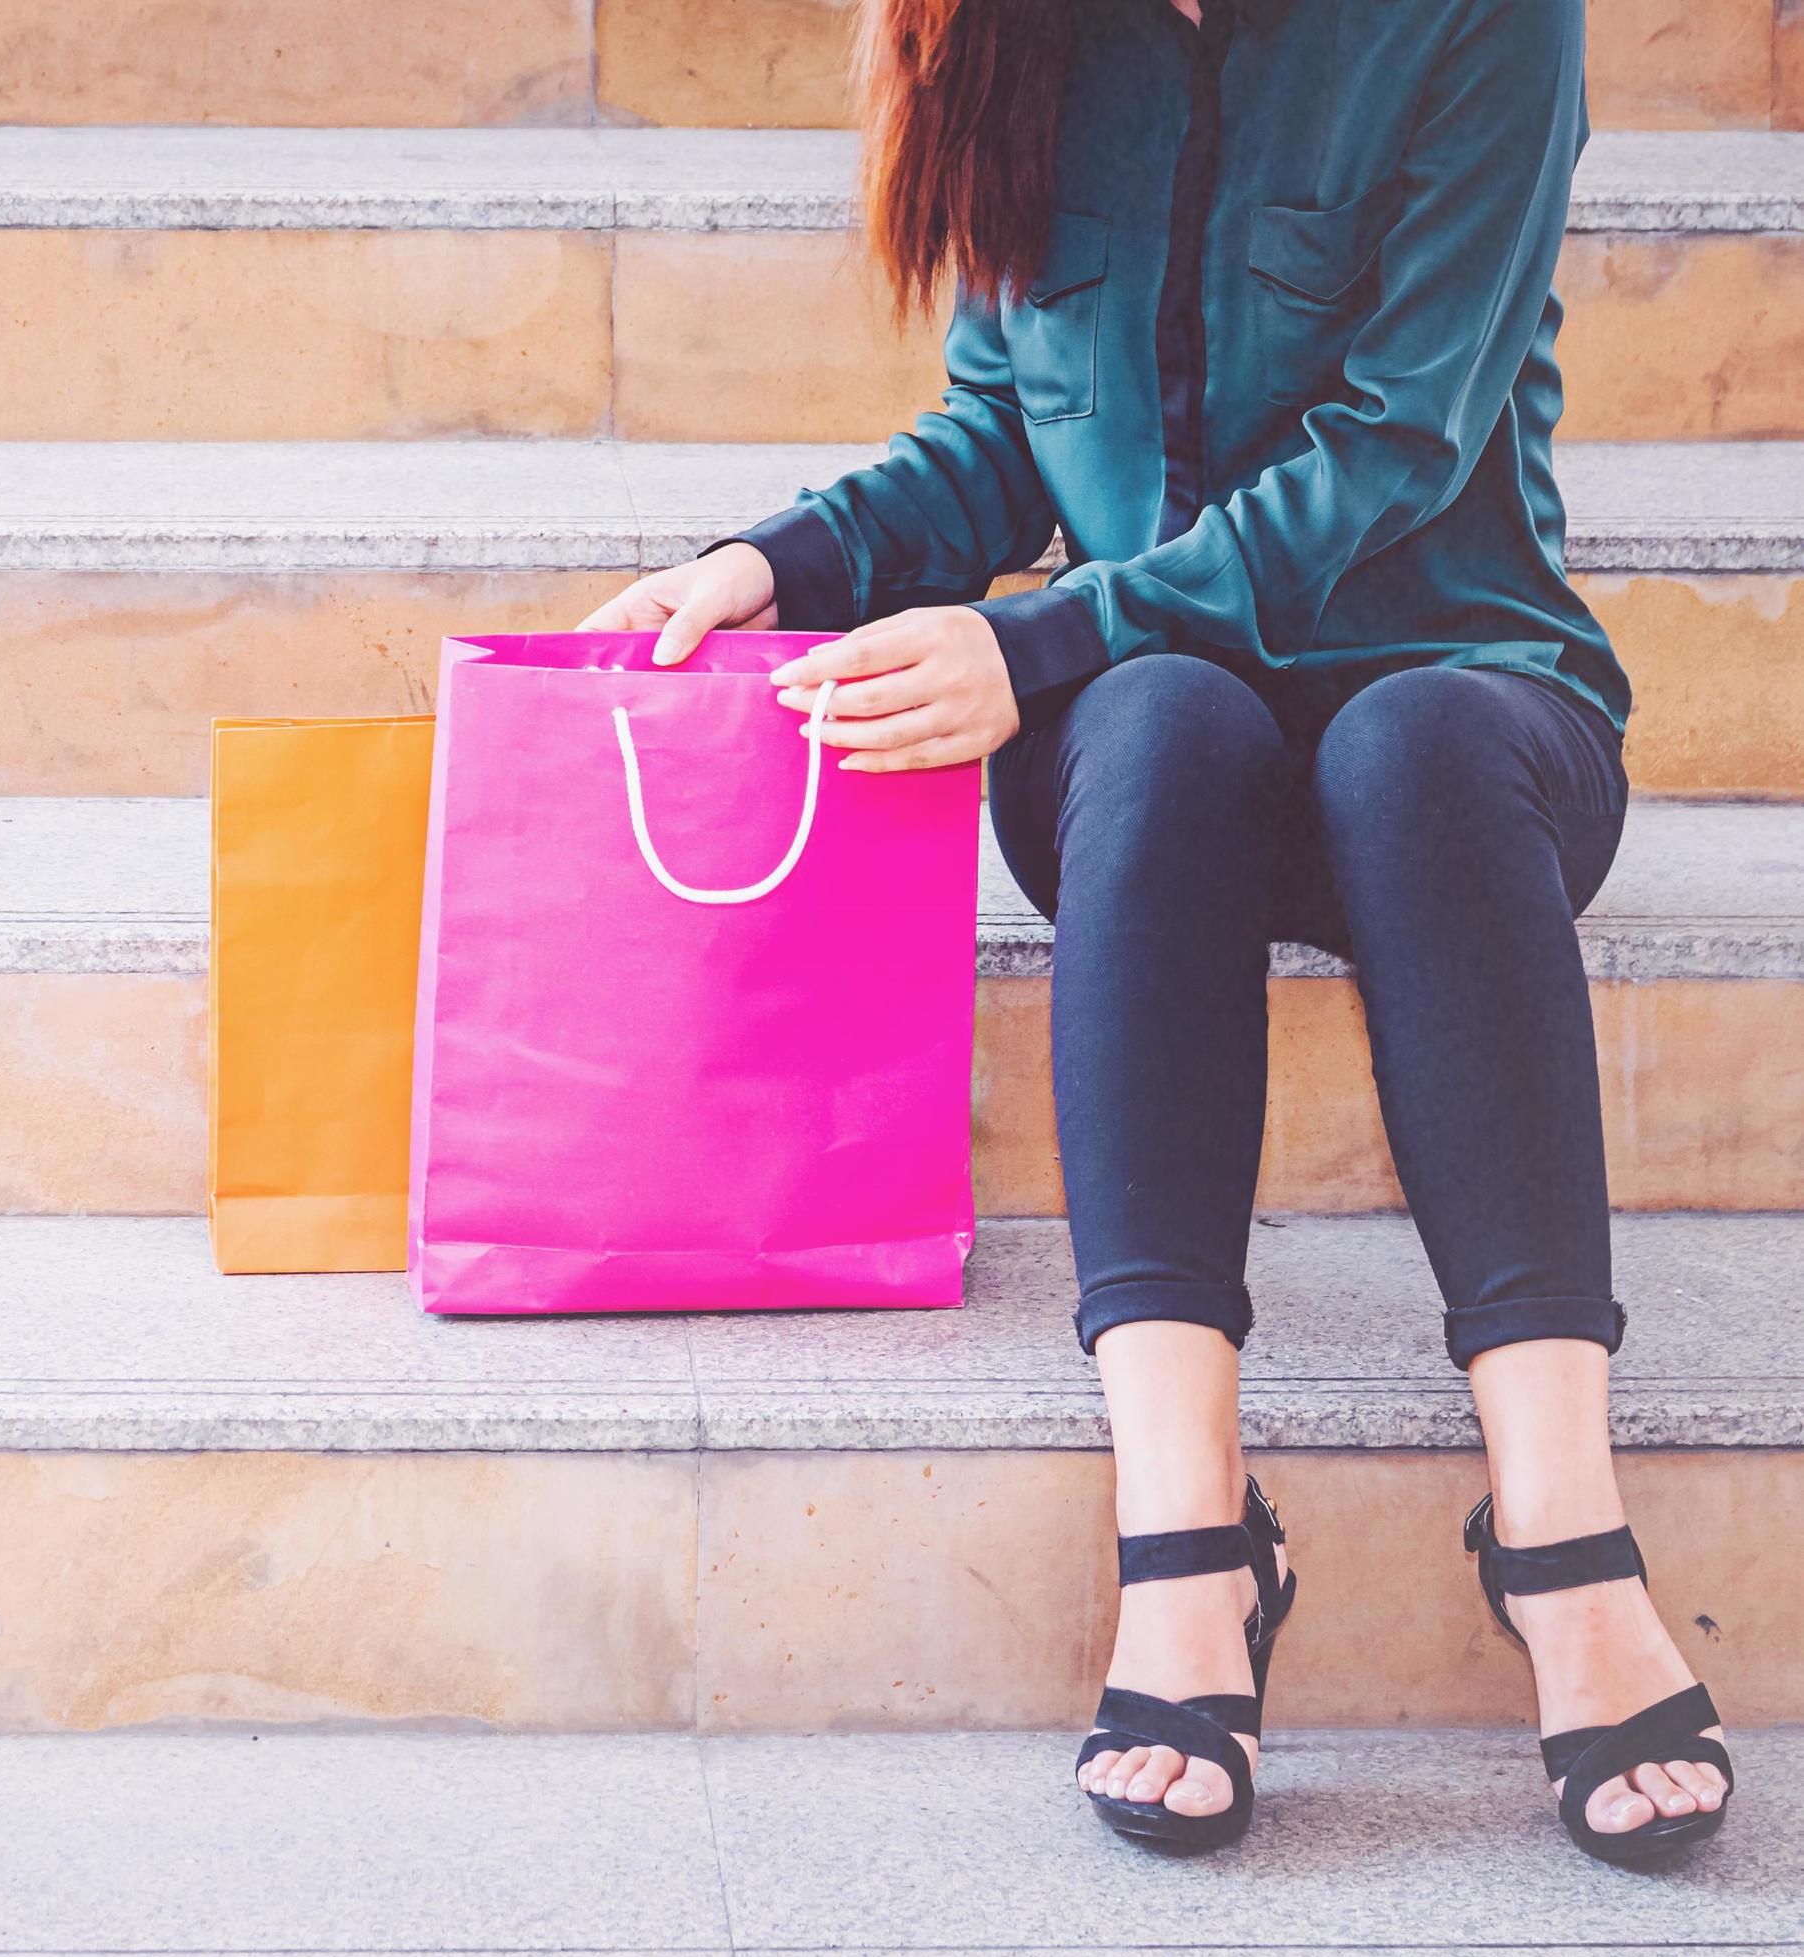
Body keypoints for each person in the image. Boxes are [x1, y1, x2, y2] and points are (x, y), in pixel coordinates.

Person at [579, 0, 1731, 1861]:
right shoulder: (1011, 39)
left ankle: (1561, 1532)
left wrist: (1031, 638)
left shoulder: (1483, 19)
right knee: (1170, 715)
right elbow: (1003, 439)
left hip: (1462, 699)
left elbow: (1404, 438)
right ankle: (1189, 1543)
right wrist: (769, 561)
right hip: (1152, 755)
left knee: (1411, 741)